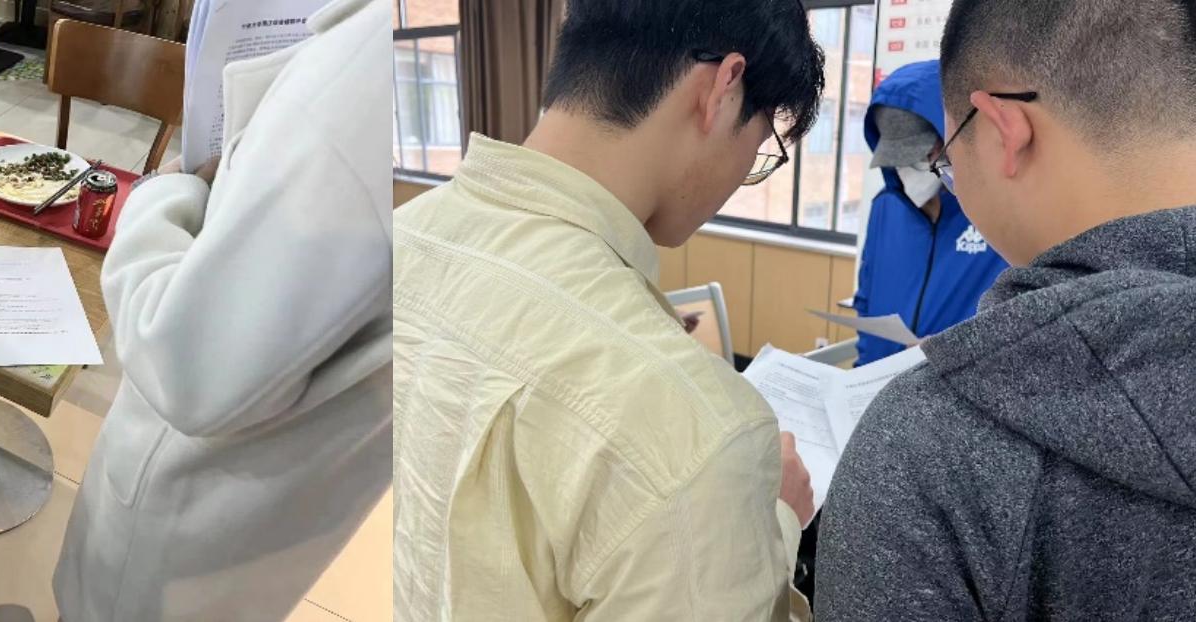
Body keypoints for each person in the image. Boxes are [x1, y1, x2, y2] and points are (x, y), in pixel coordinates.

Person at [392, 0, 825, 618]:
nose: (738, 181)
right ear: (724, 89)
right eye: (759, 151)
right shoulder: (699, 431)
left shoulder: (391, 242)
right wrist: (772, 519)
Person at [818, 0, 1196, 618]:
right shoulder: (888, 213)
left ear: (1003, 131)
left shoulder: (926, 446)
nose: (935, 174)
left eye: (945, 156)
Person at [51, 0, 392, 620]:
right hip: (281, 504)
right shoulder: (476, 50)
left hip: (195, 511)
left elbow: (184, 365)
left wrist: (164, 194)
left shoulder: (370, 73)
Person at [852, 59, 1008, 366]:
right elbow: (867, 301)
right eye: (897, 158)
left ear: (951, 139)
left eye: (922, 155)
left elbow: (1014, 322)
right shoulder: (885, 207)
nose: (908, 169)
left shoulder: (994, 217)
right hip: (878, 385)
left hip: (953, 386)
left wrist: (951, 352)